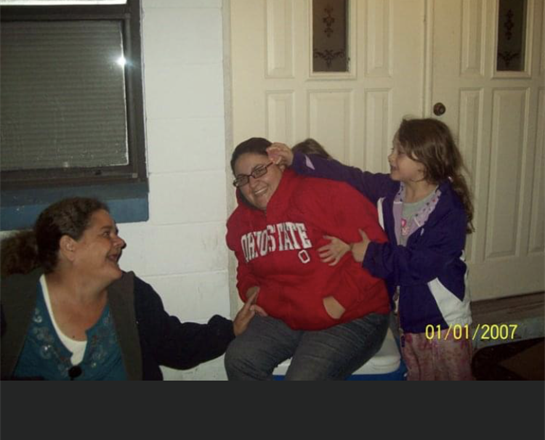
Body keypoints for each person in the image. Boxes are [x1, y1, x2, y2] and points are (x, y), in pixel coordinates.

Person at [269, 118, 474, 381]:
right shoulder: (391, 192)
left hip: (443, 321)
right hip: (407, 315)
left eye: (399, 152)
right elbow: (349, 176)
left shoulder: (448, 210)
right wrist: (296, 159)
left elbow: (421, 265)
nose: (390, 156)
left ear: (422, 165)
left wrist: (369, 254)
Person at [0, 197, 260, 381]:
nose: (120, 242)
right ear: (70, 246)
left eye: (116, 233)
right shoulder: (12, 300)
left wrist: (230, 330)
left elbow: (175, 344)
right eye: (106, 234)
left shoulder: (132, 294)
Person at [225, 137, 390, 381]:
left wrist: (338, 303)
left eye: (260, 170)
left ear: (279, 165)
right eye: (243, 179)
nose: (253, 183)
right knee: (239, 360)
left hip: (352, 315)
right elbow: (244, 266)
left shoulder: (327, 194)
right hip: (285, 316)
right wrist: (251, 291)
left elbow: (377, 252)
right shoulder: (239, 222)